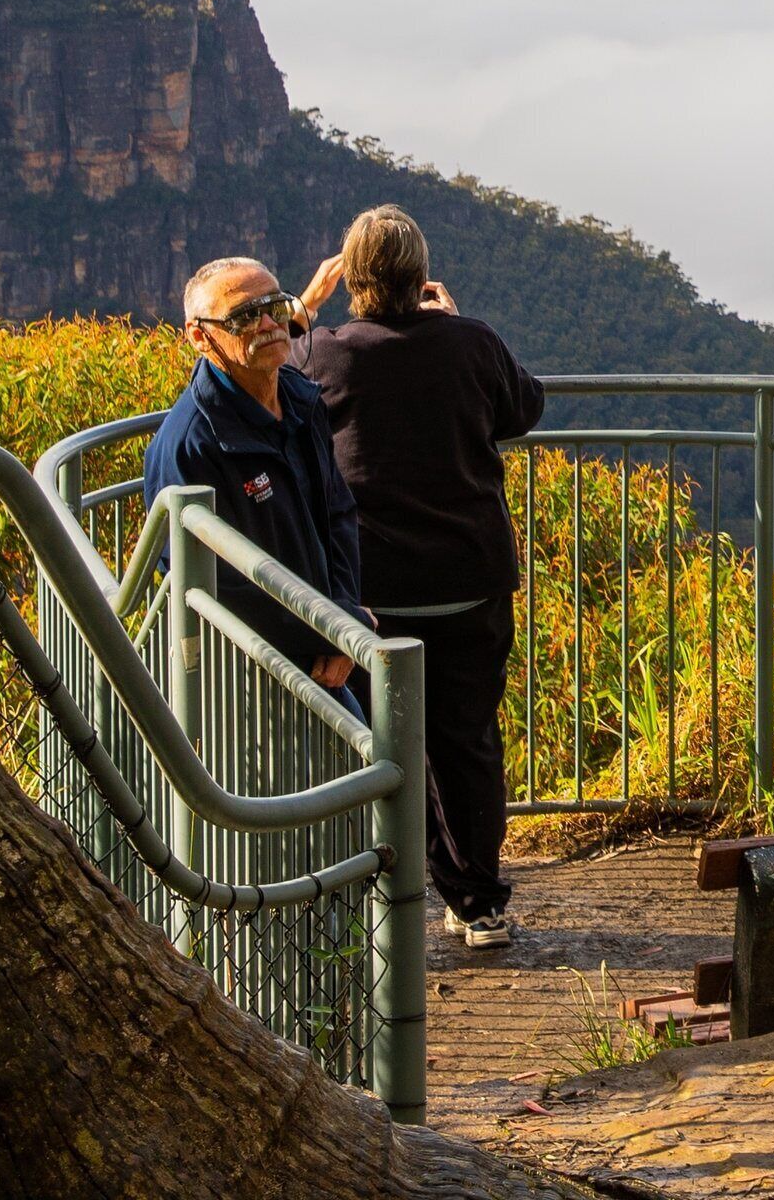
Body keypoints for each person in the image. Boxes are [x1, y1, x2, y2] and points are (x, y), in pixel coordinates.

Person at [295, 206, 547, 952]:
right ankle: (478, 903)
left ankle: (375, 902)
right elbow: (523, 407)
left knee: (375, 744)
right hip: (469, 582)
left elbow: (266, 377)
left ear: (351, 278)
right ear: (422, 275)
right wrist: (459, 325)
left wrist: (305, 306)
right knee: (465, 742)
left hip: (372, 598)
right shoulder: (471, 344)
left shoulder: (326, 354)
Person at [144, 258, 368, 706]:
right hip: (247, 687)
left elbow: (337, 513)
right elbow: (211, 584)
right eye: (244, 316)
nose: (268, 324)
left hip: (325, 660)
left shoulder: (302, 401)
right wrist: (327, 630)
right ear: (200, 337)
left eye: (275, 306)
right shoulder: (190, 447)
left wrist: (343, 614)